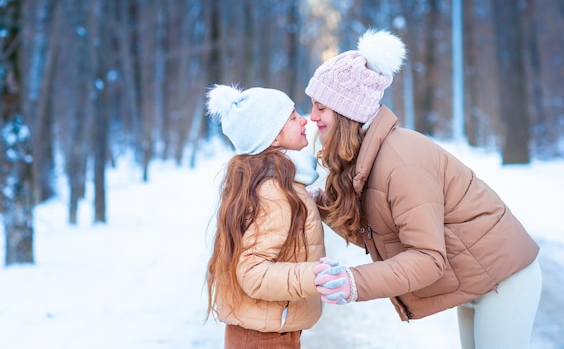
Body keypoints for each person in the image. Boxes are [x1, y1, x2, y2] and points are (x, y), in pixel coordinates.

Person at [305, 29, 542, 349]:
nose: (312, 117)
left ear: (347, 111)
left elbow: (428, 258)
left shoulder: (401, 162)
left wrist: (354, 282)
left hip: (504, 278)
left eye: (321, 107)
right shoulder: (366, 157)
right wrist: (318, 205)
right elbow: (377, 233)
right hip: (473, 280)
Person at [205, 84, 325, 349]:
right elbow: (254, 272)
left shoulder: (272, 183)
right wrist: (317, 276)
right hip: (264, 339)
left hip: (264, 331)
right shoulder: (272, 190)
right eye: (293, 117)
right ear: (272, 137)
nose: (304, 119)